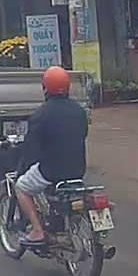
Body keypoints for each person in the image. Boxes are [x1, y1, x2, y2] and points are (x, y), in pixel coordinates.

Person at [15, 66, 88, 247]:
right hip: (77, 170)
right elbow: (83, 134)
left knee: (21, 187)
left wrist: (21, 169)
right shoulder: (79, 111)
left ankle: (37, 231)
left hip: (52, 171)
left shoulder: (41, 114)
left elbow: (30, 149)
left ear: (45, 88)